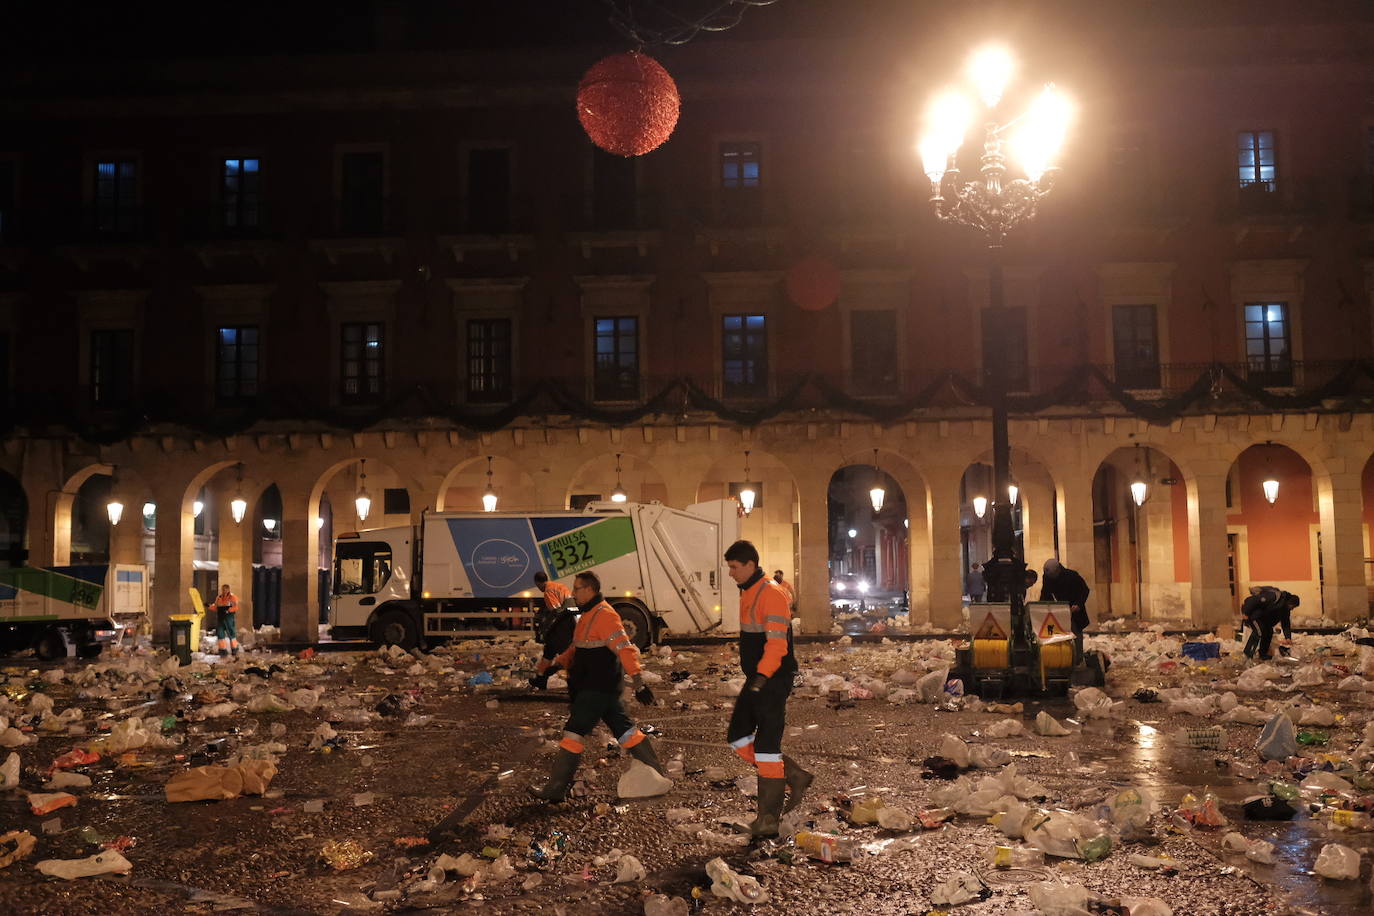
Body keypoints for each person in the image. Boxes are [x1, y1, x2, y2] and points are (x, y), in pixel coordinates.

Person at [529, 570, 662, 801]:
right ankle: (659, 775)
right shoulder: (587, 614)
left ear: (590, 590)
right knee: (626, 731)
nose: (573, 593)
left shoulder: (606, 615)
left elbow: (625, 648)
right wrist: (556, 664)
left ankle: (555, 790)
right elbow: (577, 647)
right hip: (602, 689)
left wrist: (639, 683)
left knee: (573, 733)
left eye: (577, 588)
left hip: (596, 688)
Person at [725, 540, 812, 838]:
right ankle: (794, 775)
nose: (730, 573)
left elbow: (777, 644)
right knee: (738, 736)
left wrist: (761, 678)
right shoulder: (750, 593)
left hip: (773, 678)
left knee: (766, 746)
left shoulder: (770, 595)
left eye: (734, 567)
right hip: (760, 677)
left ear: (750, 565)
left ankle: (768, 819)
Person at [1040, 558, 1090, 657]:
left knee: (1075, 634)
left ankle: (1077, 658)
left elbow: (1085, 590)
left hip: (1074, 609)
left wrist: (1078, 604)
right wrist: (1043, 607)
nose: (1051, 578)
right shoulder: (1047, 577)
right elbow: (1045, 593)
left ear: (1058, 570)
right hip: (1059, 610)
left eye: (1053, 576)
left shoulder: (1072, 576)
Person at [1249, 588, 1299, 660]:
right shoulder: (1277, 601)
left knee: (1268, 633)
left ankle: (1262, 654)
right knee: (1259, 633)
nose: (1292, 609)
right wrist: (1248, 613)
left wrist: (1288, 637)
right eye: (1293, 606)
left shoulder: (1285, 609)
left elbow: (1285, 623)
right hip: (1259, 618)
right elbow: (1263, 607)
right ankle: (1249, 653)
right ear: (1290, 603)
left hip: (1266, 622)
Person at [1240, 586, 1279, 659]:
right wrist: (1246, 615)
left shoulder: (1259, 600)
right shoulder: (1253, 600)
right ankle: (1248, 652)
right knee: (1258, 633)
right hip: (1253, 619)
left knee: (1264, 633)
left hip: (1258, 619)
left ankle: (1260, 653)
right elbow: (1246, 610)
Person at [211, 584, 241, 657]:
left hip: (229, 617)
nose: (224, 591)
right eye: (223, 589)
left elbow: (236, 607)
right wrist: (209, 606)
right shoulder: (219, 598)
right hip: (220, 618)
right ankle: (222, 650)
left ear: (228, 589)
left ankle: (234, 648)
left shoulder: (233, 597)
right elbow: (215, 607)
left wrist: (229, 610)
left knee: (231, 633)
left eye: (225, 589)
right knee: (220, 634)